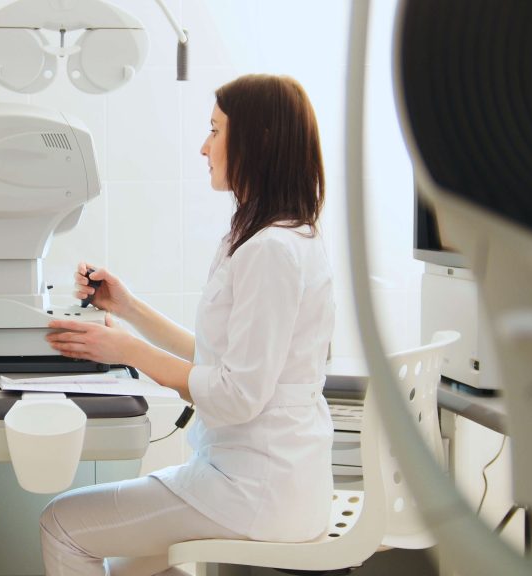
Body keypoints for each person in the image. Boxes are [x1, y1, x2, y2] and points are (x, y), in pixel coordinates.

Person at [41, 74, 335, 576]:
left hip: (255, 488)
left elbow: (236, 393)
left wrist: (125, 350)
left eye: (215, 131)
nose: (204, 146)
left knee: (61, 526)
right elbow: (220, 358)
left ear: (257, 141)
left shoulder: (271, 251)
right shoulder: (273, 237)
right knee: (132, 569)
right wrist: (129, 308)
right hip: (257, 476)